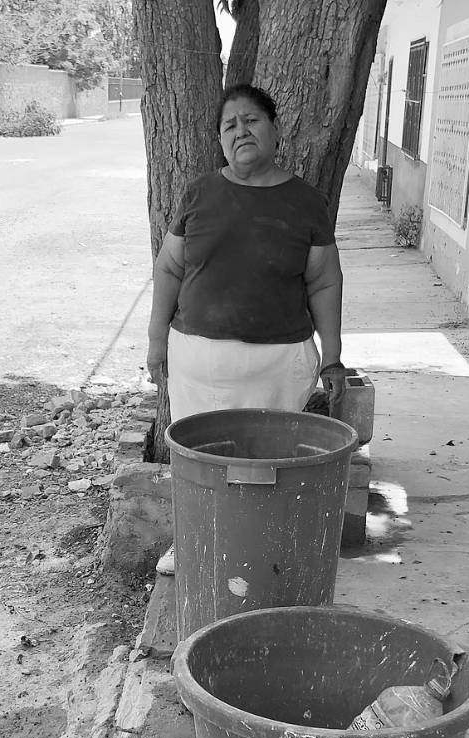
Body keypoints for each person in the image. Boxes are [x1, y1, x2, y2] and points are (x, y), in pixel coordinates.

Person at [146, 83, 348, 573]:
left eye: (252, 120)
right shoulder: (199, 194)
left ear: (276, 130)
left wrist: (333, 353)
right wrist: (156, 342)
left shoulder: (306, 202)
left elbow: (323, 281)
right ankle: (194, 547)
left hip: (277, 368)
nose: (241, 131)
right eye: (229, 125)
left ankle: (262, 559)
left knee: (269, 469)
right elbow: (170, 268)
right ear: (220, 140)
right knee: (196, 464)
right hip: (198, 366)